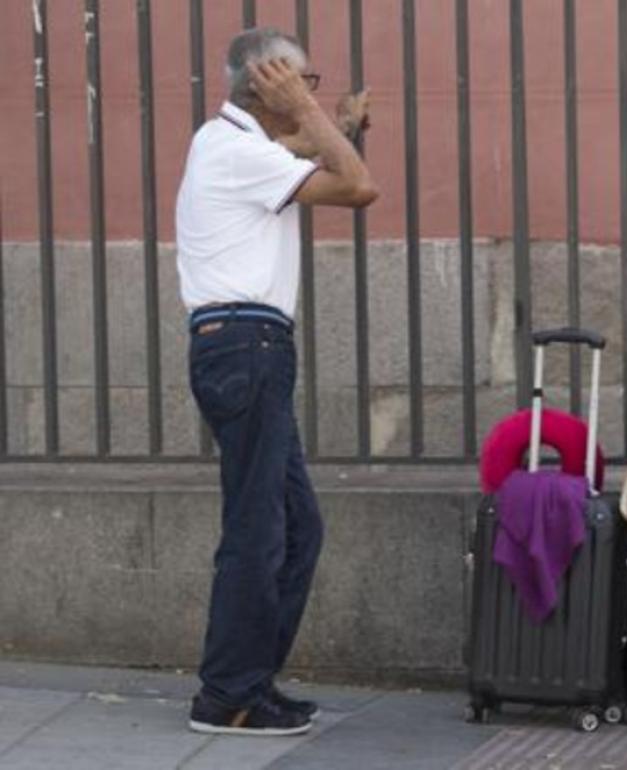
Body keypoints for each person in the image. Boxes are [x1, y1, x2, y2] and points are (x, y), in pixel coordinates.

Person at [175, 27, 378, 737]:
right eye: (302, 82)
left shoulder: (231, 145)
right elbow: (358, 186)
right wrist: (319, 120)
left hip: (248, 347)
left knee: (295, 527)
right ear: (268, 83)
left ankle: (247, 683)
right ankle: (226, 695)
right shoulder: (232, 149)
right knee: (258, 527)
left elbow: (301, 155)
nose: (310, 94)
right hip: (246, 347)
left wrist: (331, 125)